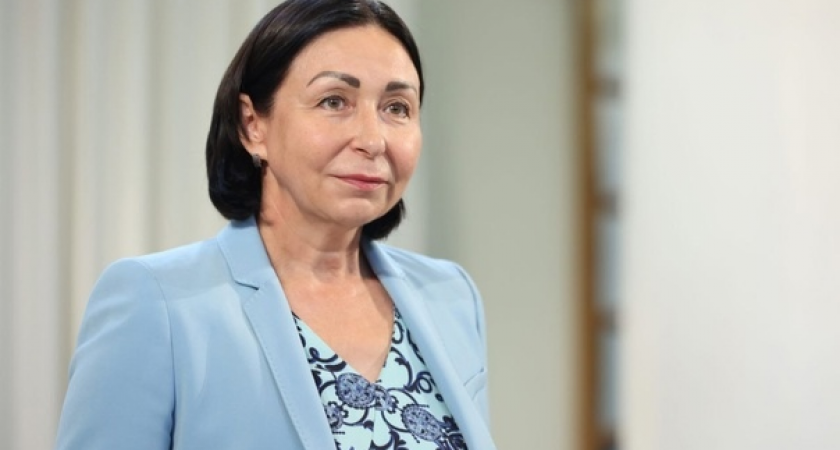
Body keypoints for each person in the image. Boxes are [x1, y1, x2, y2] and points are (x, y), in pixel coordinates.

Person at [54, 0, 496, 449]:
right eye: (334, 101)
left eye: (397, 108)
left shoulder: (450, 295)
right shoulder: (157, 302)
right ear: (252, 125)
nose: (372, 139)